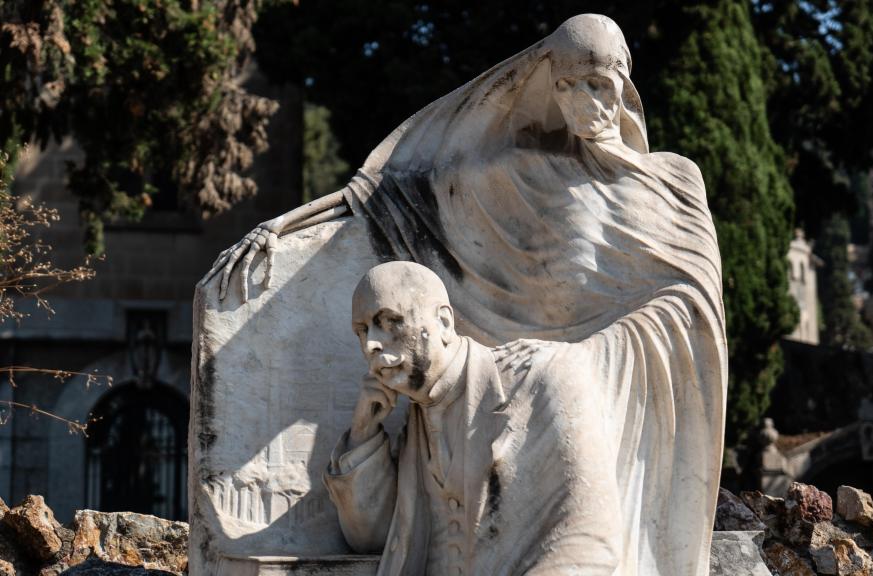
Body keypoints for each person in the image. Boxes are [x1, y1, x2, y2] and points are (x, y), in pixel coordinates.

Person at [206, 14, 726, 575]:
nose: (583, 103)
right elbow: (388, 194)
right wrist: (282, 227)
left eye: (597, 84)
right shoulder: (522, 172)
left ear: (624, 83)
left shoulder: (675, 180)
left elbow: (695, 304)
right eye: (567, 85)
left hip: (614, 375)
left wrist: (583, 361)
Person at [327, 261, 715, 576]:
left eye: (389, 321)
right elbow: (373, 539)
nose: (371, 344)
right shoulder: (415, 422)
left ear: (444, 323)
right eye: (362, 331)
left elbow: (590, 543)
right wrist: (363, 434)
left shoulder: (542, 375)